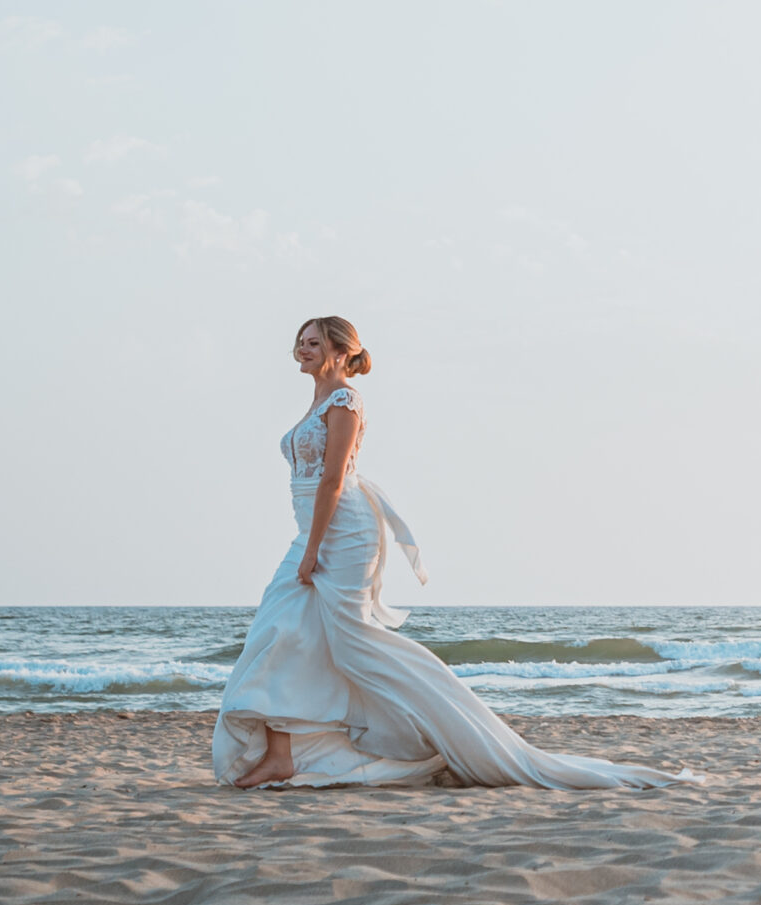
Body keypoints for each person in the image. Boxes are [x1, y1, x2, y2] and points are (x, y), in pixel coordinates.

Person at [214, 316, 687, 791]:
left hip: (343, 532)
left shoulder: (344, 401)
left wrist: (312, 548)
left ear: (340, 351)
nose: (302, 349)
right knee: (283, 628)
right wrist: (308, 542)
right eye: (299, 342)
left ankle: (436, 730)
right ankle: (281, 753)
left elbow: (334, 480)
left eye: (313, 342)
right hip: (313, 529)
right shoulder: (315, 400)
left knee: (351, 643)